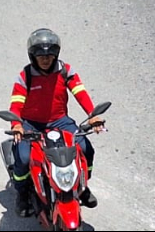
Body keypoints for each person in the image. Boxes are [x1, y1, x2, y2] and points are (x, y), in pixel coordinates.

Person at [7, 27, 105, 217]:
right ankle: (23, 193)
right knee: (24, 157)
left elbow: (80, 92)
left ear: (56, 54)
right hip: (31, 124)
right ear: (32, 56)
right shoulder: (25, 76)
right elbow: (16, 102)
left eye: (50, 55)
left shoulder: (65, 71)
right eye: (41, 56)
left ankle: (82, 187)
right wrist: (17, 125)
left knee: (85, 149)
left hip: (60, 121)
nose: (45, 59)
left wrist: (92, 114)